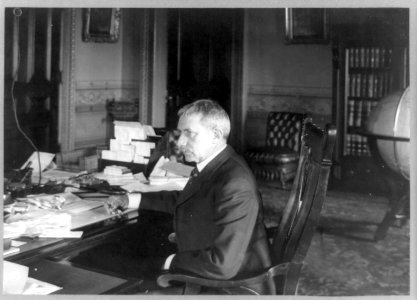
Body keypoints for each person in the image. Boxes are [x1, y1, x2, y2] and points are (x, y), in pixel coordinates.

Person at [107, 99, 272, 294]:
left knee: (124, 278)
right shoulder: (217, 164)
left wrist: (170, 262)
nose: (180, 142)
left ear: (216, 135)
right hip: (211, 270)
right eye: (180, 133)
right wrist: (132, 199)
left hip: (234, 288)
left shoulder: (235, 183)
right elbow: (187, 199)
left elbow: (222, 265)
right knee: (126, 261)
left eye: (189, 134)